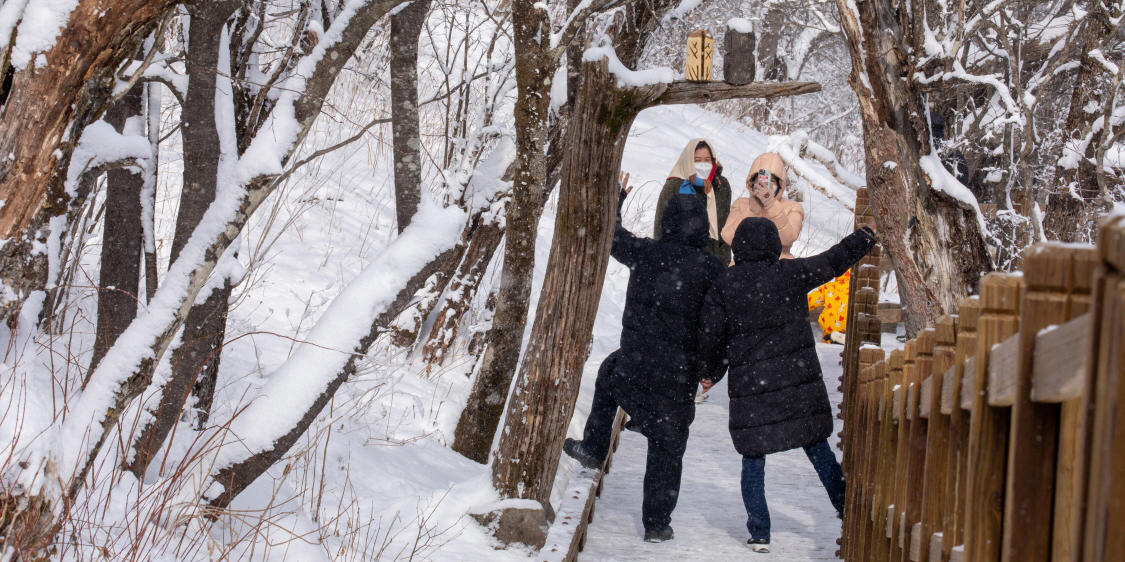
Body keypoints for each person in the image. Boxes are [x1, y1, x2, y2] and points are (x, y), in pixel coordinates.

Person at [698, 217, 877, 553]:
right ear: (772, 245)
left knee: (753, 459)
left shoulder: (725, 284)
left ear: (738, 246)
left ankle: (760, 532)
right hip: (797, 384)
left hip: (753, 391)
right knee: (817, 448)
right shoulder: (790, 274)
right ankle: (846, 508)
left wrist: (709, 373)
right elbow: (834, 259)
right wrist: (866, 236)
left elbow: (711, 337)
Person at [564, 180, 724, 544]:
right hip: (676, 380)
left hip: (634, 367)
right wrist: (712, 371)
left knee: (608, 375)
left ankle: (592, 447)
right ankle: (656, 523)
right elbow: (719, 328)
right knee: (667, 449)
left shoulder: (646, 252)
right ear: (703, 227)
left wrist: (617, 200)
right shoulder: (712, 270)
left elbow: (612, 235)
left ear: (666, 222)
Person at [654, 139, 732, 265]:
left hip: (714, 262)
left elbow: (724, 226)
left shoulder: (721, 185)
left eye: (707, 160)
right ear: (688, 161)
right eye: (697, 160)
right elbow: (660, 227)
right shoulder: (675, 185)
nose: (703, 164)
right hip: (681, 263)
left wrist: (723, 263)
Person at [722, 153, 804, 261]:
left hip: (779, 266)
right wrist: (752, 210)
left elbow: (787, 238)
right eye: (760, 180)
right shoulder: (741, 204)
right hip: (744, 266)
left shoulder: (793, 207)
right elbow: (728, 238)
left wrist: (771, 205)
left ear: (779, 184)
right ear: (752, 182)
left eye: (772, 181)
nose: (766, 185)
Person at [807, 270, 852, 345]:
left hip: (830, 327)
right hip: (850, 326)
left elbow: (811, 301)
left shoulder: (829, 287)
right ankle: (845, 338)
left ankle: (830, 338)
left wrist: (796, 306)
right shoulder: (857, 289)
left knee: (827, 334)